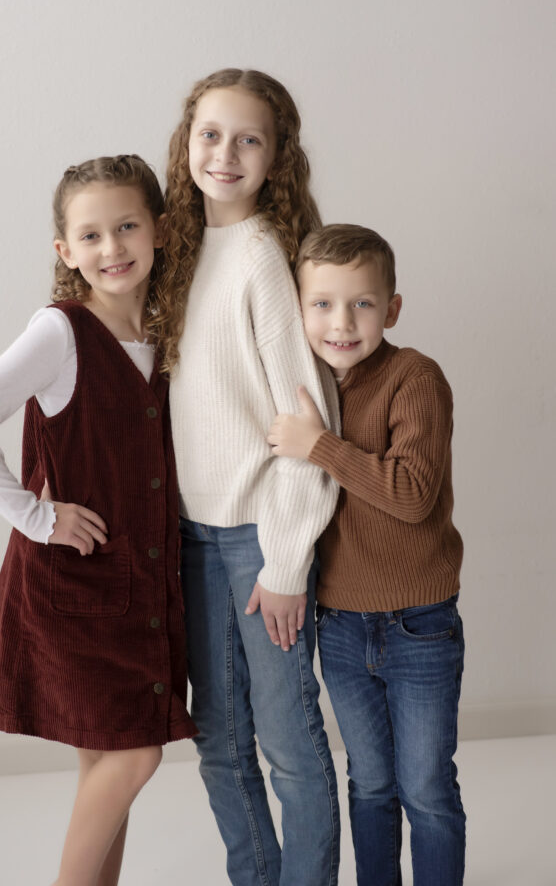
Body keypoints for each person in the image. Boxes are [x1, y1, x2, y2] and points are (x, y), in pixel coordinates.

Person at [0, 155, 197, 886]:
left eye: (127, 227)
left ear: (160, 230)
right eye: (91, 235)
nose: (112, 247)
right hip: (73, 592)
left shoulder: (163, 334)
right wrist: (36, 517)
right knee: (134, 755)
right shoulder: (60, 333)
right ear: (66, 250)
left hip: (137, 593)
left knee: (105, 766)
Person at [153, 69, 342, 886]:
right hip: (193, 539)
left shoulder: (263, 256)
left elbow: (309, 426)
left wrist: (286, 562)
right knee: (220, 743)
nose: (224, 154)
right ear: (186, 143)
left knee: (289, 744)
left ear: (277, 157)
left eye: (248, 139)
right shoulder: (180, 252)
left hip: (260, 544)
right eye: (210, 134)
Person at [268, 223, 466, 886]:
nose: (342, 322)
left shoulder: (415, 378)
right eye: (322, 304)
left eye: (362, 303)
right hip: (341, 624)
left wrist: (319, 446)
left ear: (393, 308)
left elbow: (411, 494)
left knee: (426, 787)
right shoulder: (306, 387)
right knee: (372, 783)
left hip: (419, 623)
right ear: (299, 311)